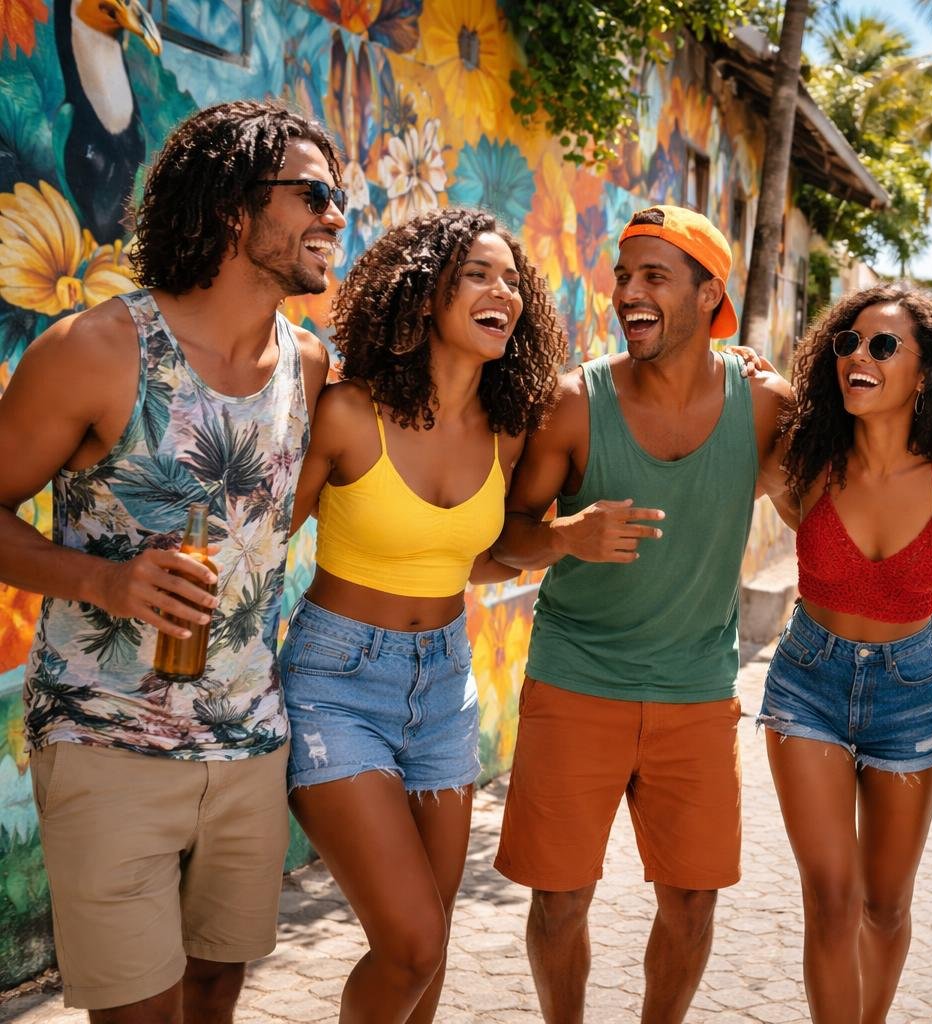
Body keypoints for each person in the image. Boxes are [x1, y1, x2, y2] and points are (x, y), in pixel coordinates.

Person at [0, 100, 337, 1018]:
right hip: (105, 738)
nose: (336, 215)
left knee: (216, 990)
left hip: (251, 739)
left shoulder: (310, 367)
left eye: (338, 197)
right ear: (233, 206)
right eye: (313, 194)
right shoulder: (97, 351)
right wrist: (103, 580)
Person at [489, 205, 791, 1024]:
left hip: (697, 690)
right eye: (623, 276)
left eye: (654, 276)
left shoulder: (766, 406)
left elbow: (819, 504)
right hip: (576, 680)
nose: (627, 293)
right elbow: (508, 538)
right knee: (560, 900)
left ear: (708, 293)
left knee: (692, 902)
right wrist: (567, 538)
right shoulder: (572, 403)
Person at [280, 208, 566, 1022]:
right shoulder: (348, 413)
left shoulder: (507, 434)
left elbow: (469, 561)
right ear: (424, 293)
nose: (502, 292)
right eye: (478, 274)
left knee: (430, 945)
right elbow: (257, 545)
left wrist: (562, 541)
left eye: (512, 280)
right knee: (409, 940)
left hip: (443, 685)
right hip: (335, 684)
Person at [755, 284, 932, 1021]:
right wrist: (742, 372)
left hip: (909, 693)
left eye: (883, 345)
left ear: (925, 373)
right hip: (807, 683)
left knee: (886, 906)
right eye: (848, 342)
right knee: (832, 899)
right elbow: (734, 441)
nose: (858, 356)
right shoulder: (807, 455)